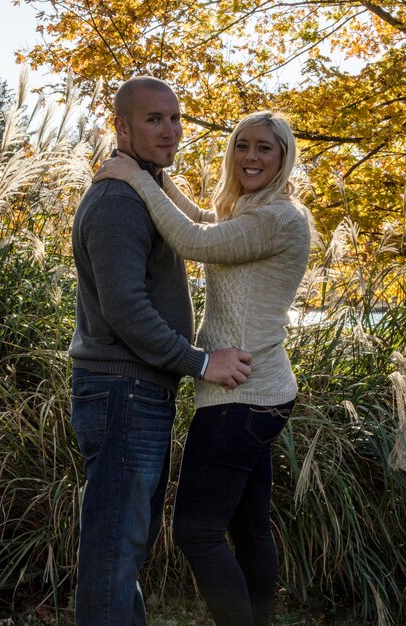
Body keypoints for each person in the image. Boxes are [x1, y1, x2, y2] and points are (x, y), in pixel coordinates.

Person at [94, 110, 311, 626]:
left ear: (283, 158)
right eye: (243, 145)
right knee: (249, 526)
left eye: (265, 148)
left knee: (197, 532)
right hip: (262, 392)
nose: (251, 157)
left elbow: (193, 241)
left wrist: (135, 180)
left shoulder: (276, 218)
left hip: (240, 395)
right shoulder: (254, 210)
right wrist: (156, 175)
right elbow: (202, 219)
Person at [68, 75, 252, 626]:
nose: (171, 130)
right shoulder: (118, 201)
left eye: (176, 118)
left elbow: (204, 227)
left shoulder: (141, 187)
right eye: (154, 119)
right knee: (113, 551)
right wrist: (201, 361)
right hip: (122, 389)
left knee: (126, 547)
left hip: (139, 390)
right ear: (121, 127)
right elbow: (125, 310)